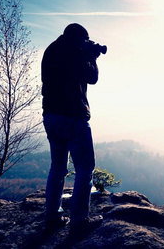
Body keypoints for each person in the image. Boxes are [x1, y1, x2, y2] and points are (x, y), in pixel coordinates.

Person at [41, 23, 103, 233]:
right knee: (84, 170)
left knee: (57, 168)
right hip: (73, 117)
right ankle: (79, 221)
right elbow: (92, 78)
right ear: (78, 38)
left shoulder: (51, 50)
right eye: (85, 40)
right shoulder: (75, 53)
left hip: (50, 116)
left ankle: (52, 217)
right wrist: (91, 57)